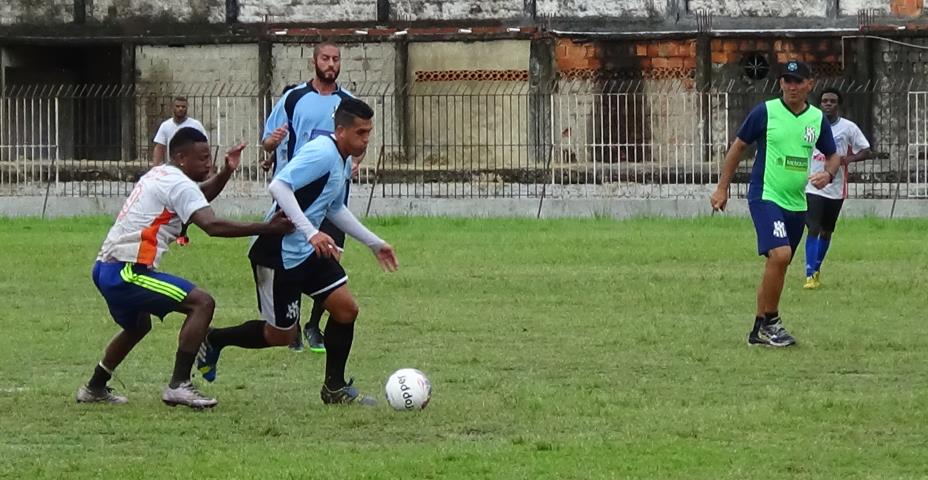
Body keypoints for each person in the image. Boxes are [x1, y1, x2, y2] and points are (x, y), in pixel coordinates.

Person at [196, 98, 397, 406]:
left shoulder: (341, 158)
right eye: (361, 132)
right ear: (340, 130)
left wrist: (373, 242)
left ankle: (334, 388)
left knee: (346, 310)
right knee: (282, 336)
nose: (366, 139)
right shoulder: (321, 153)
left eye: (369, 132)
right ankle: (215, 338)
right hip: (277, 253)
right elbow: (279, 186)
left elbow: (333, 207)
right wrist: (311, 231)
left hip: (307, 251)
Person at [76, 127, 293, 409]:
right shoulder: (179, 184)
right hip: (127, 271)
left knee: (138, 326)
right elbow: (211, 225)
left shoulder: (162, 174)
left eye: (210, 158)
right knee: (202, 303)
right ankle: (178, 385)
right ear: (180, 157)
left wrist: (226, 172)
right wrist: (268, 228)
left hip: (106, 267)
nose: (208, 164)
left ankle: (94, 387)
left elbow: (196, 198)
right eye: (202, 158)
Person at [710, 60, 841, 348]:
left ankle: (760, 329)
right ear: (780, 83)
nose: (791, 86)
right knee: (780, 255)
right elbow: (738, 148)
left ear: (810, 85)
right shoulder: (765, 112)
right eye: (786, 81)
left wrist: (827, 173)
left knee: (778, 264)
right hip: (765, 195)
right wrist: (722, 188)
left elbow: (833, 155)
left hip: (797, 203)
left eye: (797, 81)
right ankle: (772, 321)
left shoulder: (816, 119)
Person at [261, 41, 362, 353]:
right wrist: (270, 144)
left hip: (333, 200)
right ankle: (290, 329)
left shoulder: (348, 102)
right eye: (325, 58)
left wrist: (356, 160)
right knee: (295, 260)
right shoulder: (294, 98)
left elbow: (359, 141)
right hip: (297, 200)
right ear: (314, 61)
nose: (331, 64)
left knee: (330, 259)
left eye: (335, 59)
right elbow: (267, 140)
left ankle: (315, 326)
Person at [803, 87, 873, 289]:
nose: (828, 104)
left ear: (838, 105)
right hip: (813, 184)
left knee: (826, 230)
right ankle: (809, 274)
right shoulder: (811, 124)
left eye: (832, 101)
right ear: (820, 104)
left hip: (835, 187)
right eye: (824, 101)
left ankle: (817, 268)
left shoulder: (848, 128)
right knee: (813, 227)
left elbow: (866, 150)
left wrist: (846, 160)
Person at [151, 96, 207, 166]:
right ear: (172, 108)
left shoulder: (196, 125)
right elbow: (159, 147)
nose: (180, 109)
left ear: (187, 108)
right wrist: (155, 168)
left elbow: (205, 146)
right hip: (173, 166)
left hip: (192, 166)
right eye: (177, 106)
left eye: (183, 107)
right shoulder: (165, 125)